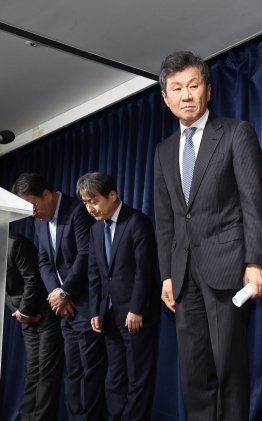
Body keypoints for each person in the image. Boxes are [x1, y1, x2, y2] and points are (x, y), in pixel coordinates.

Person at [153, 51, 262, 420]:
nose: (186, 95)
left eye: (193, 85)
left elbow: (254, 201)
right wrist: (167, 274)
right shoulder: (163, 151)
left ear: (207, 90)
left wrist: (255, 262)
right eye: (177, 88)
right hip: (184, 275)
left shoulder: (236, 132)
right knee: (193, 373)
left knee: (229, 368)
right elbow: (166, 219)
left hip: (228, 270)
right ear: (165, 97)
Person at [12, 173, 107, 421]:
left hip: (85, 305)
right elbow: (44, 262)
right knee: (72, 373)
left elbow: (86, 255)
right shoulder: (40, 221)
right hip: (63, 309)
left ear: (46, 194)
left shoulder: (77, 211)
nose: (32, 214)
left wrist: (65, 292)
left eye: (33, 206)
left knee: (90, 373)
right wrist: (56, 294)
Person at [78, 172, 160, 421]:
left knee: (138, 379)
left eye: (93, 201)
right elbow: (94, 275)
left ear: (112, 195)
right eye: (85, 203)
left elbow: (144, 270)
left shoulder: (136, 221)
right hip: (109, 317)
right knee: (114, 378)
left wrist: (136, 310)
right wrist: (95, 311)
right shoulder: (94, 230)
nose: (90, 208)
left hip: (136, 316)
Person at [5, 231, 64, 421]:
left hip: (45, 313)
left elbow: (33, 279)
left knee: (46, 372)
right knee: (32, 370)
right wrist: (20, 313)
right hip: (25, 316)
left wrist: (24, 312)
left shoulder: (15, 244)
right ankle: (25, 417)